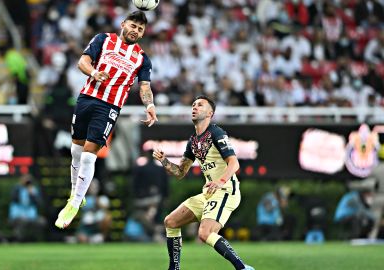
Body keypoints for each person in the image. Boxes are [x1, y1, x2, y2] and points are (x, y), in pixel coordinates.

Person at [55, 11, 158, 229]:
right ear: (123, 24)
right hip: (86, 99)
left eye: (140, 29)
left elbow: (145, 87)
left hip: (109, 106)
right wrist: (94, 73)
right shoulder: (103, 39)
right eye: (133, 25)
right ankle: (76, 194)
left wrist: (149, 105)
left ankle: (74, 203)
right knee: (76, 150)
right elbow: (82, 62)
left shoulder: (142, 58)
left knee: (89, 154)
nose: (135, 30)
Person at [152, 96, 253, 270]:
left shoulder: (216, 132)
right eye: (193, 105)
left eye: (200, 105)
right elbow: (180, 172)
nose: (195, 107)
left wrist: (220, 181)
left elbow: (234, 163)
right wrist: (165, 161)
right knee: (171, 222)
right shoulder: (193, 141)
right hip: (209, 193)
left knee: (205, 233)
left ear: (210, 113)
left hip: (226, 190)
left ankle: (242, 268)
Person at [9, 174, 46, 242]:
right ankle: (18, 240)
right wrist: (21, 187)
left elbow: (39, 203)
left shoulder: (33, 190)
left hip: (31, 216)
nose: (27, 184)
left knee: (41, 221)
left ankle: (35, 240)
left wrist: (32, 194)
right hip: (17, 216)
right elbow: (13, 198)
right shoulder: (17, 189)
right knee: (22, 221)